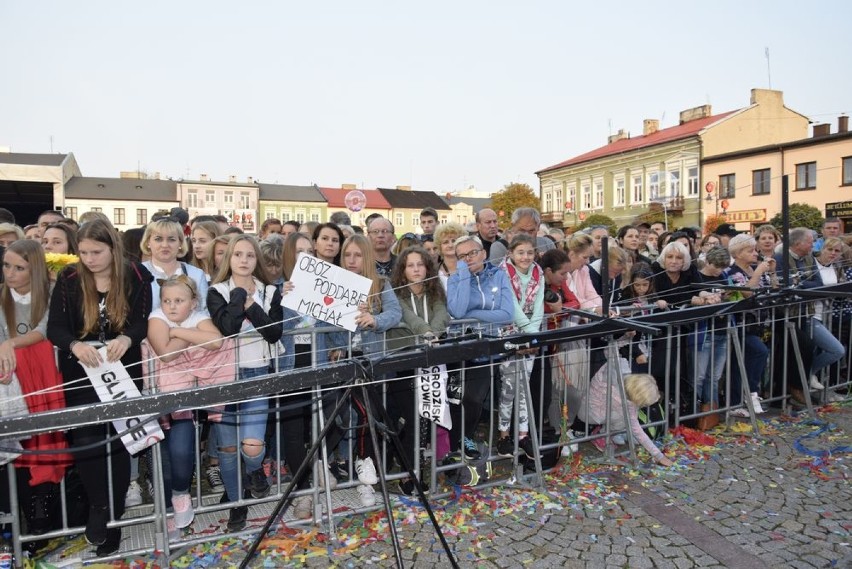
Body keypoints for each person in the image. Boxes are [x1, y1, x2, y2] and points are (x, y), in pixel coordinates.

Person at [47, 219, 153, 556]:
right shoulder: (69, 279)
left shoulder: (136, 276)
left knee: (120, 441)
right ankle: (100, 507)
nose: (89, 259)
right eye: (83, 252)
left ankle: (114, 517)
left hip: (123, 367)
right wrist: (75, 346)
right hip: (81, 370)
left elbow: (141, 322)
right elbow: (55, 328)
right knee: (87, 440)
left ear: (113, 248)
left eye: (96, 252)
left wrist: (126, 337)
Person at [207, 235, 283, 531]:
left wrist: (251, 303)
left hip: (257, 373)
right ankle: (237, 506)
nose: (243, 260)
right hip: (224, 376)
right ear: (229, 259)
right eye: (237, 254)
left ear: (257, 260)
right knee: (227, 449)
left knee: (252, 446)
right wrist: (240, 296)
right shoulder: (216, 291)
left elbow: (274, 332)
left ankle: (255, 472)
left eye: (249, 255)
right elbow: (228, 328)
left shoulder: (270, 291)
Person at [145, 275, 233, 531]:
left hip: (184, 400)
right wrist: (193, 336)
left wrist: (176, 331)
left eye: (179, 301)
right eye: (167, 301)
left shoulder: (197, 317)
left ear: (193, 303)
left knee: (182, 451)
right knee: (161, 457)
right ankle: (165, 511)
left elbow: (215, 341)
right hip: (157, 398)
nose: (171, 307)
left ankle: (181, 494)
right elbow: (166, 354)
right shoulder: (156, 316)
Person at [0, 239, 71, 544]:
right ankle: (19, 514)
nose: (10, 273)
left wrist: (10, 343)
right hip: (12, 379)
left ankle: (44, 506)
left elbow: (43, 329)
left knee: (46, 440)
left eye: (19, 267)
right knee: (17, 444)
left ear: (36, 268)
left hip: (43, 376)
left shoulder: (52, 292)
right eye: (6, 265)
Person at [338, 234, 401, 506]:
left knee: (367, 414)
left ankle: (366, 475)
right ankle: (360, 468)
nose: (352, 261)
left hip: (372, 359)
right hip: (342, 360)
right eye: (347, 255)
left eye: (357, 255)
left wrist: (374, 319)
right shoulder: (332, 283)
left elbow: (395, 313)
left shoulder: (381, 284)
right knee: (363, 413)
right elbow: (318, 316)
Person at [387, 245, 450, 494]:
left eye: (420, 264)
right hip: (403, 362)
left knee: (427, 417)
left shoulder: (434, 290)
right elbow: (407, 317)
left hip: (430, 362)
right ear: (402, 269)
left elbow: (442, 314)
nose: (415, 269)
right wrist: (425, 332)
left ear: (427, 267)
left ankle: (419, 468)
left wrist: (433, 334)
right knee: (411, 417)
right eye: (410, 265)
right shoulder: (395, 292)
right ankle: (406, 472)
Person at [447, 236, 514, 459]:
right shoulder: (455, 279)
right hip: (459, 347)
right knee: (455, 397)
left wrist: (472, 315)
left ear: (483, 253)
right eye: (462, 256)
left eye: (472, 253)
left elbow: (506, 314)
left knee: (475, 398)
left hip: (486, 347)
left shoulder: (498, 275)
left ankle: (465, 436)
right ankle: (455, 441)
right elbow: (457, 311)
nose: (468, 259)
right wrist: (464, 274)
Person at [495, 235, 544, 460]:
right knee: (509, 389)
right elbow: (511, 305)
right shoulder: (502, 273)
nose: (526, 257)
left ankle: (523, 434)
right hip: (509, 333)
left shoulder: (538, 274)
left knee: (525, 387)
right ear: (511, 254)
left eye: (530, 253)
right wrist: (526, 330)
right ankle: (503, 434)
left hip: (531, 334)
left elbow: (540, 304)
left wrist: (533, 334)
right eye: (521, 252)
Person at [578, 366, 675, 467]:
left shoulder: (620, 371)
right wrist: (659, 456)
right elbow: (637, 430)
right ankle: (602, 434)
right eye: (644, 404)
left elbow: (611, 361)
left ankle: (606, 432)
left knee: (626, 419)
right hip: (589, 413)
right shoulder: (625, 405)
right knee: (625, 420)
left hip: (588, 403)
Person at [725, 234, 777, 416]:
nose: (755, 253)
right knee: (758, 352)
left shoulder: (754, 269)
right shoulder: (732, 272)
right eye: (750, 250)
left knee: (749, 360)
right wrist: (758, 272)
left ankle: (747, 395)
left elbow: (773, 289)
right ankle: (749, 393)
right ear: (738, 253)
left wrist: (771, 272)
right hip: (740, 325)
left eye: (755, 250)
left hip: (760, 324)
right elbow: (747, 293)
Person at [141, 218, 208, 312]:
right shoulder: (137, 273)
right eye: (158, 239)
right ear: (148, 242)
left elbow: (205, 312)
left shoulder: (196, 274)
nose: (165, 245)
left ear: (180, 243)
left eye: (171, 239)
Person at [434, 222, 467, 290]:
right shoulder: (434, 273)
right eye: (445, 242)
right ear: (440, 246)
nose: (450, 245)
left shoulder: (470, 267)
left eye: (454, 241)